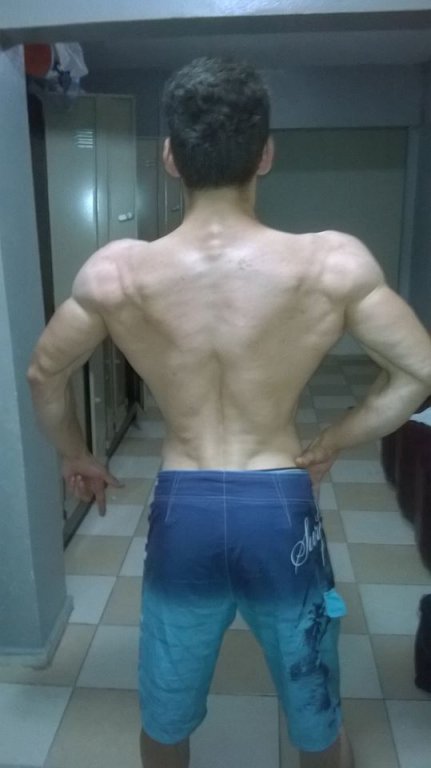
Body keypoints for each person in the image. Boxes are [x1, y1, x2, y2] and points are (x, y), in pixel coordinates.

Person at [27, 57, 431, 768]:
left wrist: (76, 454)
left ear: (170, 158)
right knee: (315, 714)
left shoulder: (117, 271)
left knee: (166, 715)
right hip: (277, 505)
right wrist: (333, 438)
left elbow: (44, 374)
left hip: (183, 508)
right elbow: (419, 372)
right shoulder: (330, 263)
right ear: (265, 154)